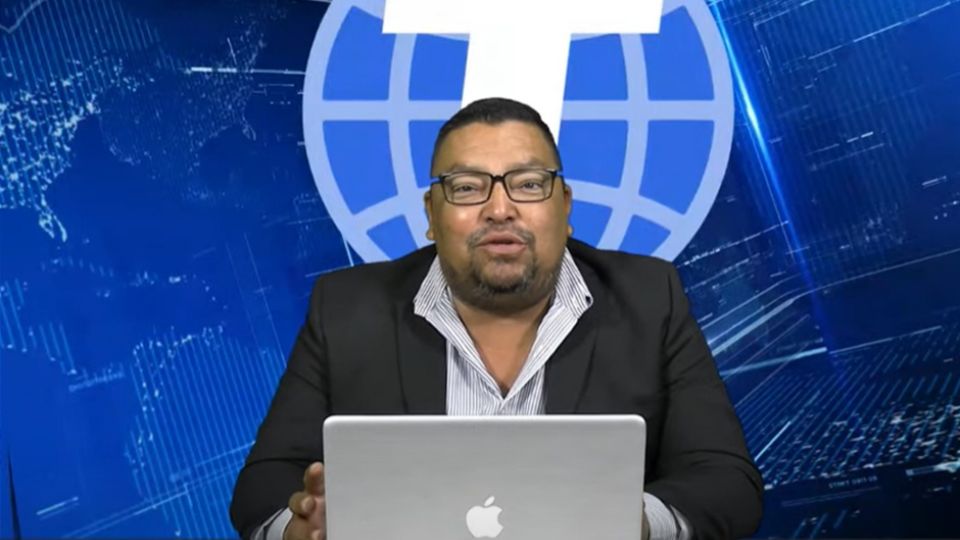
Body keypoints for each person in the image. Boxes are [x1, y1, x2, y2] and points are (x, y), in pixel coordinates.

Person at [230, 97, 763, 540]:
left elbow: (727, 482)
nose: (500, 208)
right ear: (431, 214)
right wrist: (299, 527)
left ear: (565, 207)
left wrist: (635, 522)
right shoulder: (346, 308)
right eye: (467, 187)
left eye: (528, 184)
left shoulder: (650, 299)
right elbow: (264, 483)